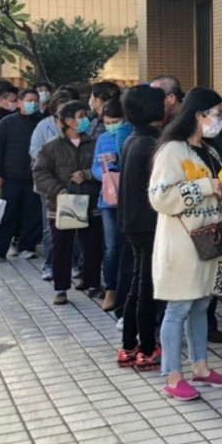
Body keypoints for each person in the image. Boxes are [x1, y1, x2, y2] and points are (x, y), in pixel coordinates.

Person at [149, 88, 222, 401]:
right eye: (217, 113)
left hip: (210, 239)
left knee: (201, 302)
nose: (220, 119)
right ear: (199, 115)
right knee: (179, 306)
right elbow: (160, 196)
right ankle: (173, 375)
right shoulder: (172, 150)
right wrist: (205, 186)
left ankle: (201, 366)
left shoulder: (211, 150)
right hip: (182, 243)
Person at [116, 85, 166, 371]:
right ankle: (146, 347)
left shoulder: (133, 138)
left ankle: (129, 345)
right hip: (149, 223)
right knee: (146, 287)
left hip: (132, 221)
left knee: (138, 284)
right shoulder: (151, 143)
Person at [33, 101, 103, 305]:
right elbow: (40, 174)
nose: (85, 119)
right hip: (61, 205)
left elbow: (102, 168)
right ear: (69, 121)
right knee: (61, 247)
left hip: (90, 202)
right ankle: (61, 288)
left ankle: (92, 283)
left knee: (92, 246)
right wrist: (61, 191)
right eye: (81, 116)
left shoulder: (94, 143)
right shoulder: (51, 147)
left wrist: (87, 175)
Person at [0, 87, 44, 265]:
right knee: (6, 215)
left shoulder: (42, 123)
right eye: (29, 100)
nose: (33, 104)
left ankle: (27, 247)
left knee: (31, 215)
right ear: (19, 102)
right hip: (11, 177)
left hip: (34, 177)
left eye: (36, 101)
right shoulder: (7, 122)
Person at [30, 88, 78, 277]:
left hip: (74, 183)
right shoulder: (43, 126)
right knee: (51, 227)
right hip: (50, 184)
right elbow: (35, 151)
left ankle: (74, 263)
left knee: (74, 223)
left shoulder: (80, 126)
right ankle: (51, 264)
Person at [93, 98, 133, 312]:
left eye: (115, 121)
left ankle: (126, 289)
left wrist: (117, 159)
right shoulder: (102, 138)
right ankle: (111, 288)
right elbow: (94, 167)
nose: (111, 126)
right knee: (110, 248)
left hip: (129, 198)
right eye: (107, 122)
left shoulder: (131, 136)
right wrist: (105, 175)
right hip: (108, 199)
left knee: (128, 247)